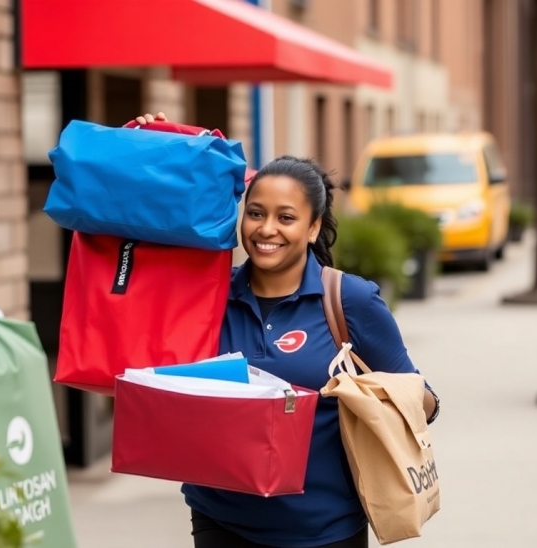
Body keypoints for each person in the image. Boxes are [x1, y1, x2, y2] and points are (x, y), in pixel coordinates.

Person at [134, 113, 440, 548]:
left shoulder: (349, 300)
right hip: (221, 518)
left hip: (325, 528)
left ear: (313, 227)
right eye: (255, 214)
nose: (266, 229)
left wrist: (370, 394)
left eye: (286, 217)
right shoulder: (210, 296)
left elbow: (424, 402)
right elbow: (142, 246)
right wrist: (147, 144)